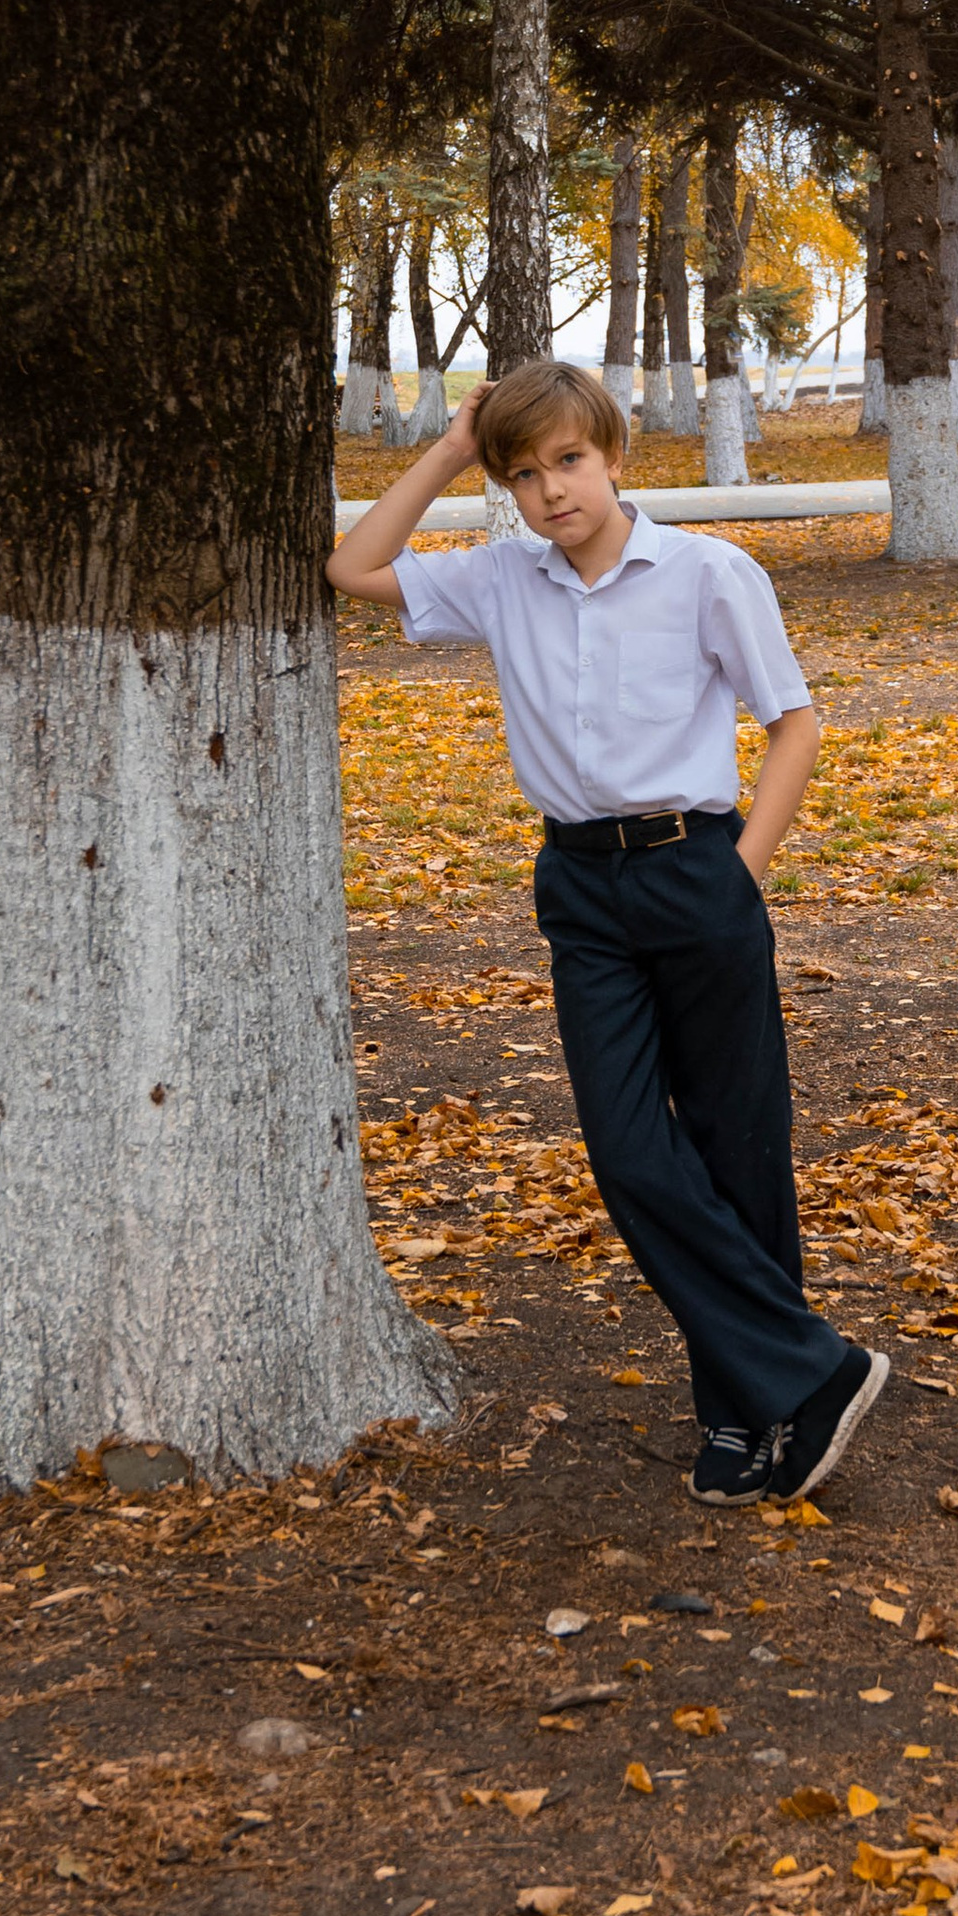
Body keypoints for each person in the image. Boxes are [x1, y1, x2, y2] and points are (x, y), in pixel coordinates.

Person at [328, 356, 887, 1506]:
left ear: (614, 455)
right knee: (634, 1151)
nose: (550, 492)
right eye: (522, 475)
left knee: (737, 1143)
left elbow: (794, 721)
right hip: (581, 890)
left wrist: (737, 876)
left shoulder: (706, 573)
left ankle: (749, 1412)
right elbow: (353, 563)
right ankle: (812, 1369)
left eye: (569, 462)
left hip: (698, 869)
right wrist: (448, 445)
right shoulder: (501, 580)